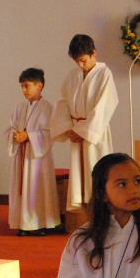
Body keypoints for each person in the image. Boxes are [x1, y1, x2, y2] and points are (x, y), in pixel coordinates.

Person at [50, 34, 118, 213]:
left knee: (96, 173)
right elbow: (63, 102)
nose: (80, 65)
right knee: (80, 179)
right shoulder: (72, 76)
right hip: (76, 133)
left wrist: (82, 130)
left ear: (93, 53)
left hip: (95, 134)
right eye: (76, 61)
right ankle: (87, 216)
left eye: (83, 60)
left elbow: (105, 105)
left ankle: (102, 212)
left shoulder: (104, 74)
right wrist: (68, 128)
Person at [6, 67, 61, 236]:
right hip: (22, 155)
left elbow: (50, 133)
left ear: (40, 86)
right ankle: (23, 224)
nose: (23, 90)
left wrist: (29, 136)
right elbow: (10, 127)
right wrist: (15, 135)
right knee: (22, 188)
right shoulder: (20, 108)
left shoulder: (47, 108)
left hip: (38, 159)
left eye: (27, 86)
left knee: (37, 189)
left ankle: (40, 223)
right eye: (22, 86)